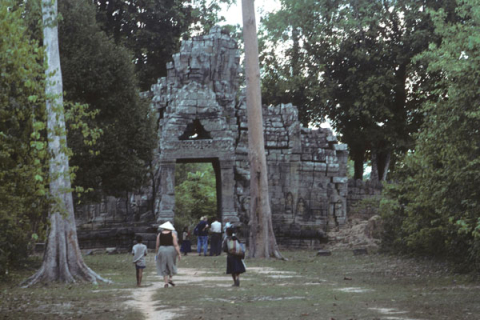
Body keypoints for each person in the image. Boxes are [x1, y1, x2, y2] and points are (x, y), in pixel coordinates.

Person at [156, 221, 181, 288]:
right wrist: (179, 253)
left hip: (162, 249)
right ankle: (170, 278)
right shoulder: (173, 234)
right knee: (171, 263)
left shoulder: (159, 234)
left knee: (163, 264)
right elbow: (175, 245)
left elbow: (157, 245)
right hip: (171, 249)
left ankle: (166, 282)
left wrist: (157, 253)